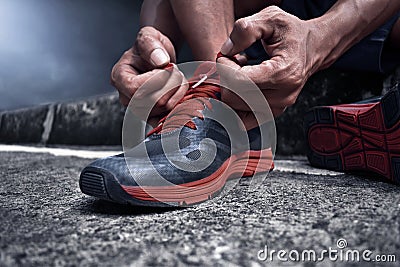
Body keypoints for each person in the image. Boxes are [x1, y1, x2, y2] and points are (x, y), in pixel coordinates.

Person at [79, 1, 400, 207]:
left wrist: (321, 37)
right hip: (253, 36)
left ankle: (223, 107)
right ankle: (222, 105)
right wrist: (153, 43)